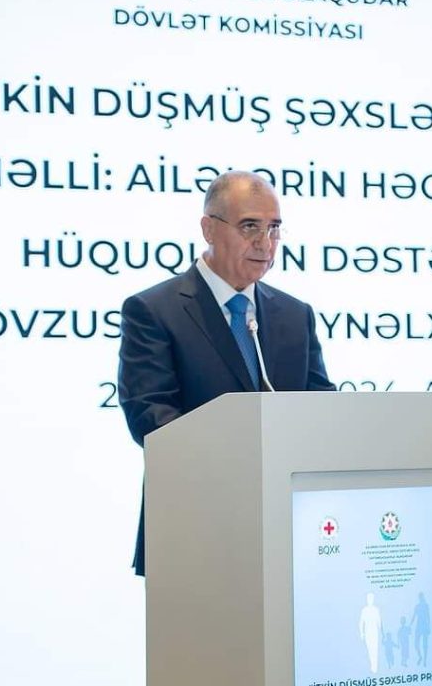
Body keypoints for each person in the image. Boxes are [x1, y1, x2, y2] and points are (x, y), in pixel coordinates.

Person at [118, 171, 335, 576]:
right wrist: (244, 463)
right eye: (250, 226)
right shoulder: (154, 311)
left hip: (289, 534)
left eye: (274, 228)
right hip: (193, 530)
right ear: (208, 229)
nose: (265, 243)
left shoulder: (294, 315)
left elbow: (322, 411)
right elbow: (151, 419)